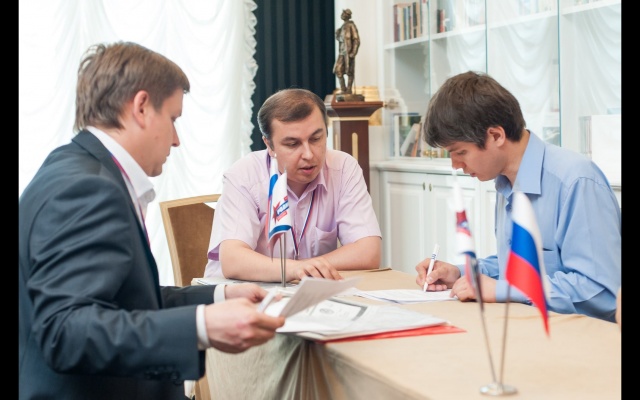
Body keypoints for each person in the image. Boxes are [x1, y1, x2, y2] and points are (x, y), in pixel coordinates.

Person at [18, 41, 285, 400]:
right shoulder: (89, 189)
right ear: (142, 107)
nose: (176, 140)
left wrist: (219, 295)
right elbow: (66, 331)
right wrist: (200, 327)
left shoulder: (73, 166)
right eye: (173, 119)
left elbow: (122, 301)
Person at [415, 71, 621, 322]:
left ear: (496, 136)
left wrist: (503, 290)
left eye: (460, 152)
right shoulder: (506, 182)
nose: (455, 165)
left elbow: (600, 290)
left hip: (581, 336)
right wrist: (460, 273)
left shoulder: (576, 181)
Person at [204, 88, 381, 281]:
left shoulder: (343, 168)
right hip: (240, 291)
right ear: (269, 145)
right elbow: (233, 260)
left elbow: (368, 252)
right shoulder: (244, 175)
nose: (309, 154)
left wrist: (303, 269)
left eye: (316, 139)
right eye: (292, 144)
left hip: (308, 290)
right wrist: (297, 269)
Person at [333, 9, 360, 94]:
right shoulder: (342, 26)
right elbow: (341, 39)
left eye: (343, 13)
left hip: (348, 53)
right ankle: (343, 89)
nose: (342, 14)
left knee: (349, 72)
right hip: (342, 53)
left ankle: (349, 90)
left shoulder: (351, 25)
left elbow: (356, 40)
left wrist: (353, 52)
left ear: (347, 15)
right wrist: (337, 35)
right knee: (338, 70)